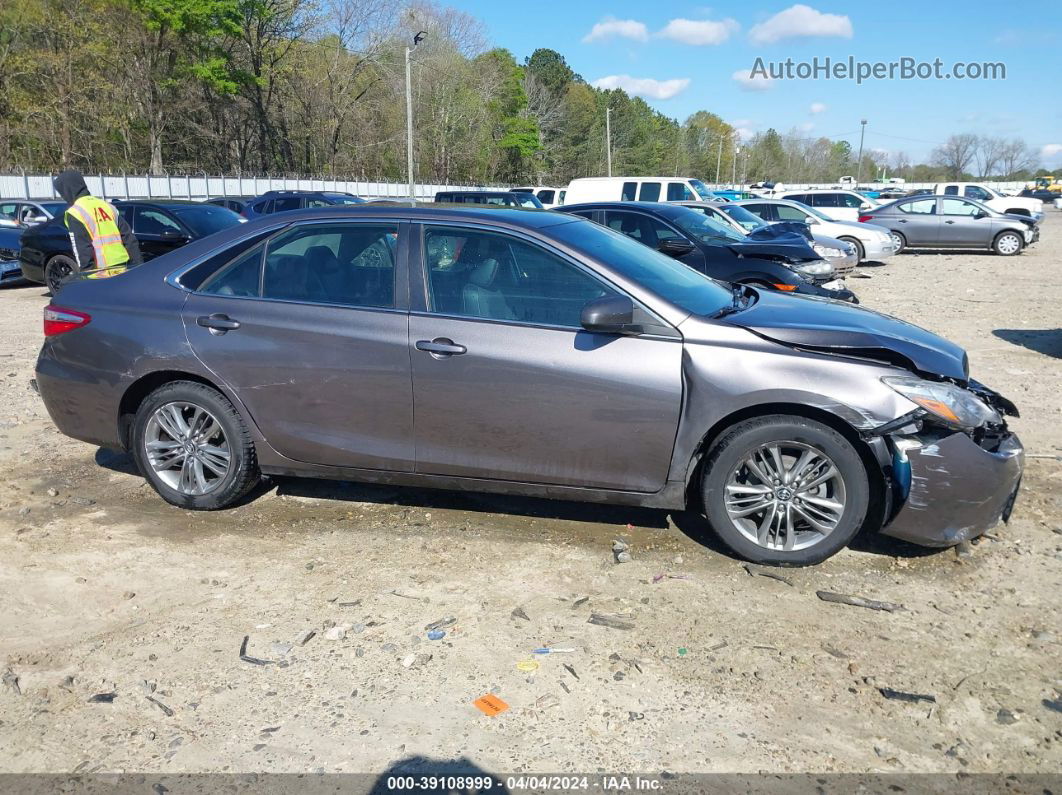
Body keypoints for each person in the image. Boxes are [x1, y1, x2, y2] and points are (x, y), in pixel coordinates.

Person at [53, 170, 141, 278]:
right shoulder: (106, 206)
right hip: (123, 269)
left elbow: (82, 249)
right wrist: (138, 266)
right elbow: (129, 238)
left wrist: (85, 274)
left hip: (99, 274)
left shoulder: (75, 212)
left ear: (67, 190)